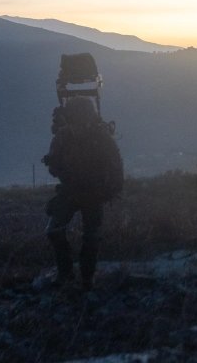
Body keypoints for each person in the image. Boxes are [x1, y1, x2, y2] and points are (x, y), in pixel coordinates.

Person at [42, 96, 123, 290]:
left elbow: (116, 168)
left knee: (91, 236)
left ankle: (85, 278)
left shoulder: (100, 137)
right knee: (55, 231)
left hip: (93, 193)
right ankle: (68, 274)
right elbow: (55, 166)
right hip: (72, 191)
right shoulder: (64, 137)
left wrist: (109, 190)